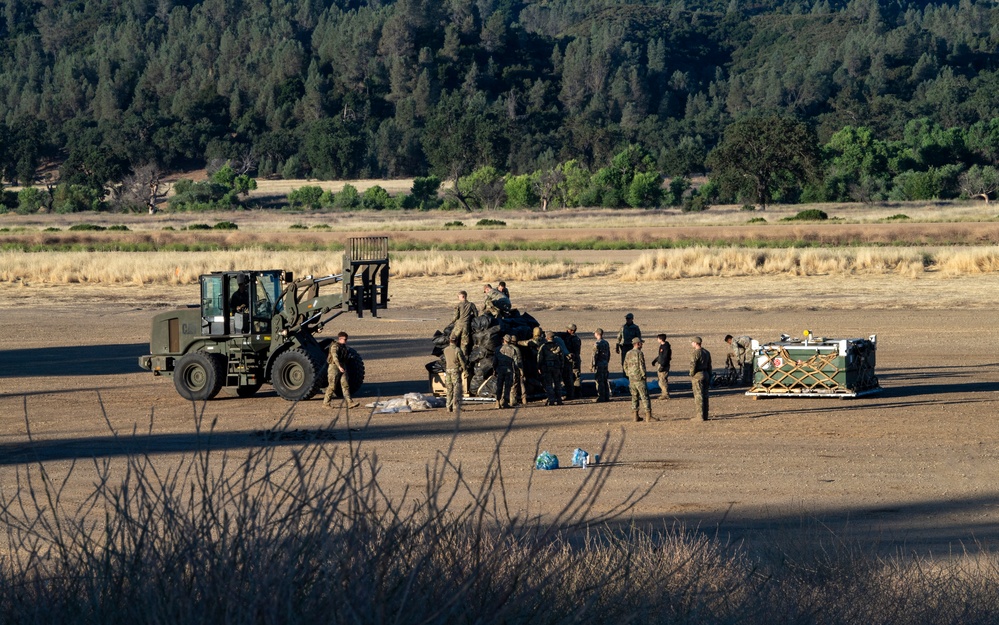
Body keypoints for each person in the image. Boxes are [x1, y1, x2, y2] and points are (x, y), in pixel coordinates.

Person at [323, 331, 360, 409]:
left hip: (342, 366)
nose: (345, 341)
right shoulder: (334, 346)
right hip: (334, 367)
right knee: (332, 386)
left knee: (345, 385)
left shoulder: (344, 347)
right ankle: (326, 403)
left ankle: (350, 402)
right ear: (340, 339)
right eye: (344, 339)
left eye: (346, 339)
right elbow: (335, 357)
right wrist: (339, 367)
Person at [624, 337, 654, 422]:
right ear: (637, 344)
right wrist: (644, 375)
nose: (642, 345)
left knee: (634, 397)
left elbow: (625, 365)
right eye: (641, 343)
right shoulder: (639, 353)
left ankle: (635, 416)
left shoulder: (628, 353)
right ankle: (648, 416)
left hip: (632, 378)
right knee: (645, 396)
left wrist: (629, 374)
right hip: (639, 378)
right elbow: (641, 365)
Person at [442, 335, 468, 413]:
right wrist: (465, 370)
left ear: (450, 340)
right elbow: (462, 361)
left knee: (449, 389)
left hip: (448, 370)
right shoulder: (457, 350)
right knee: (456, 389)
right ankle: (455, 406)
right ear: (456, 341)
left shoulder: (445, 350)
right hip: (455, 371)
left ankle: (448, 406)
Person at [494, 334, 521, 408]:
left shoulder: (498, 349)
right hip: (509, 371)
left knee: (499, 386)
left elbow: (495, 362)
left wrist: (494, 370)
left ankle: (497, 402)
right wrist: (516, 371)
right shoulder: (513, 350)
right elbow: (516, 362)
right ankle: (505, 402)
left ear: (504, 340)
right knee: (507, 387)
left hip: (500, 370)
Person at [539, 330, 564, 406]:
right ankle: (559, 400)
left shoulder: (543, 347)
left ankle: (551, 400)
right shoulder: (558, 346)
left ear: (547, 338)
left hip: (547, 367)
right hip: (556, 367)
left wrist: (539, 367)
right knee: (557, 384)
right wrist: (561, 367)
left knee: (549, 384)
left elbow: (540, 358)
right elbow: (561, 358)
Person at [689, 336, 712, 421]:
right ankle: (705, 415)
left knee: (698, 395)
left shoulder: (696, 353)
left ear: (695, 343)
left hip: (698, 374)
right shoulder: (706, 352)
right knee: (705, 395)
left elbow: (693, 364)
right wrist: (709, 375)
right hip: (706, 373)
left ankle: (700, 416)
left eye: (692, 342)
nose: (691, 344)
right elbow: (709, 365)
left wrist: (691, 374)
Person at [449, 291, 478, 357]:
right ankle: (464, 359)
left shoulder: (458, 305)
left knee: (452, 339)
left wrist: (452, 322)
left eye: (458, 296)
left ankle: (452, 355)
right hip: (466, 326)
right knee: (464, 344)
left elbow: (456, 316)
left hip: (458, 325)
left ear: (462, 296)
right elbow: (476, 314)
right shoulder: (471, 304)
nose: (458, 298)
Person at [591, 328, 611, 403]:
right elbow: (609, 354)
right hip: (605, 363)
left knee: (599, 381)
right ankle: (606, 396)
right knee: (605, 380)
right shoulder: (606, 342)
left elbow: (594, 355)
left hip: (599, 364)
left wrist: (593, 365)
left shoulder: (597, 344)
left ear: (597, 334)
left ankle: (601, 396)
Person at [564, 324, 582, 400]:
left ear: (571, 330)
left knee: (573, 377)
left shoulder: (572, 339)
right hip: (576, 359)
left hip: (572, 360)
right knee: (576, 376)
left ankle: (573, 394)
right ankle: (577, 393)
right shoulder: (576, 338)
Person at [652, 333, 672, 400]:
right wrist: (655, 360)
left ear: (660, 339)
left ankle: (665, 394)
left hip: (664, 365)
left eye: (658, 338)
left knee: (663, 380)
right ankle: (663, 393)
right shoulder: (662, 346)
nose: (657, 340)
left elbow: (665, 357)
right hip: (661, 363)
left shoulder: (666, 347)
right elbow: (661, 356)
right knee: (660, 380)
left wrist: (662, 366)